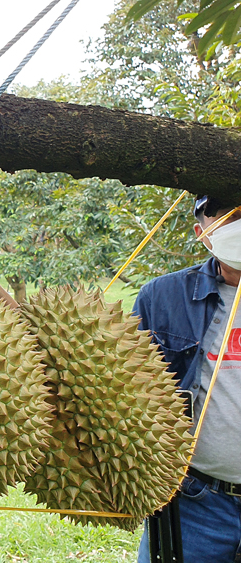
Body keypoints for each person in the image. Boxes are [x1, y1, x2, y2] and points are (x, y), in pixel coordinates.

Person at [134, 195, 241, 563]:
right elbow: (128, 390)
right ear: (203, 233)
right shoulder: (161, 297)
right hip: (196, 502)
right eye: (227, 216)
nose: (238, 223)